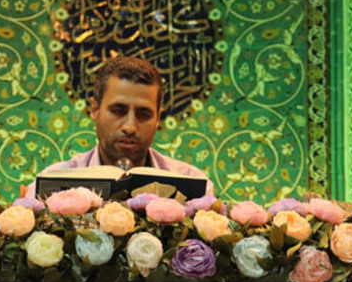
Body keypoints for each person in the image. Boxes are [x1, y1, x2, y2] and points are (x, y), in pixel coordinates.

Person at [25, 57, 214, 198]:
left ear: (158, 117)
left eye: (144, 114)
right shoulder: (53, 182)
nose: (130, 127)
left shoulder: (192, 184)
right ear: (95, 110)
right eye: (118, 111)